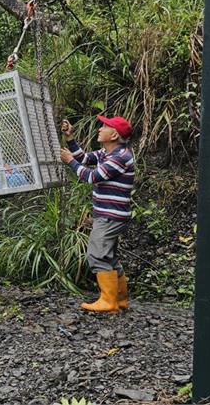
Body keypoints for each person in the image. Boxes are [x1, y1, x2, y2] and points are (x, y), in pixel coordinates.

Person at [59, 115, 135, 313]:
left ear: (114, 135)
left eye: (105, 126)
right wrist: (70, 138)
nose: (100, 129)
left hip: (111, 216)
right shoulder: (107, 152)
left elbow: (92, 176)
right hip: (110, 215)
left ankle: (108, 302)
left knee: (96, 255)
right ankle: (120, 300)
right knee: (108, 257)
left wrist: (70, 162)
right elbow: (84, 159)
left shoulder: (121, 157)